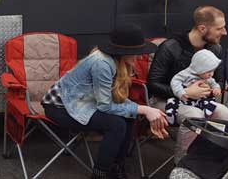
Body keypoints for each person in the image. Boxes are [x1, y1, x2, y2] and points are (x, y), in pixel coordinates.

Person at [42, 23, 169, 179]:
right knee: (116, 124)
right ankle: (100, 174)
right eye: (136, 52)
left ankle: (116, 169)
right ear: (124, 51)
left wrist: (142, 110)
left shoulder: (117, 62)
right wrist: (145, 109)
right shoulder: (102, 63)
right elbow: (105, 106)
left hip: (84, 102)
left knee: (128, 118)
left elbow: (114, 101)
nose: (140, 56)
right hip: (60, 106)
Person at [147, 5, 228, 162]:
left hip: (198, 101)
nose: (225, 32)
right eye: (219, 28)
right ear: (202, 28)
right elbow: (152, 83)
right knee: (195, 116)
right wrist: (185, 92)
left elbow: (219, 79)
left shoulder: (215, 49)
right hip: (165, 100)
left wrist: (213, 88)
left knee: (224, 112)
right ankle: (183, 164)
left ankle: (208, 159)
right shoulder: (170, 47)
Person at [165, 49, 222, 126]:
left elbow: (214, 83)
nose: (211, 74)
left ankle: (207, 110)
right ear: (199, 68)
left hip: (199, 99)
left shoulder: (208, 78)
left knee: (210, 101)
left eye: (213, 71)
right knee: (173, 101)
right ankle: (170, 113)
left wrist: (216, 88)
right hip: (184, 98)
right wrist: (180, 92)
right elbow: (175, 81)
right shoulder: (186, 74)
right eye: (208, 71)